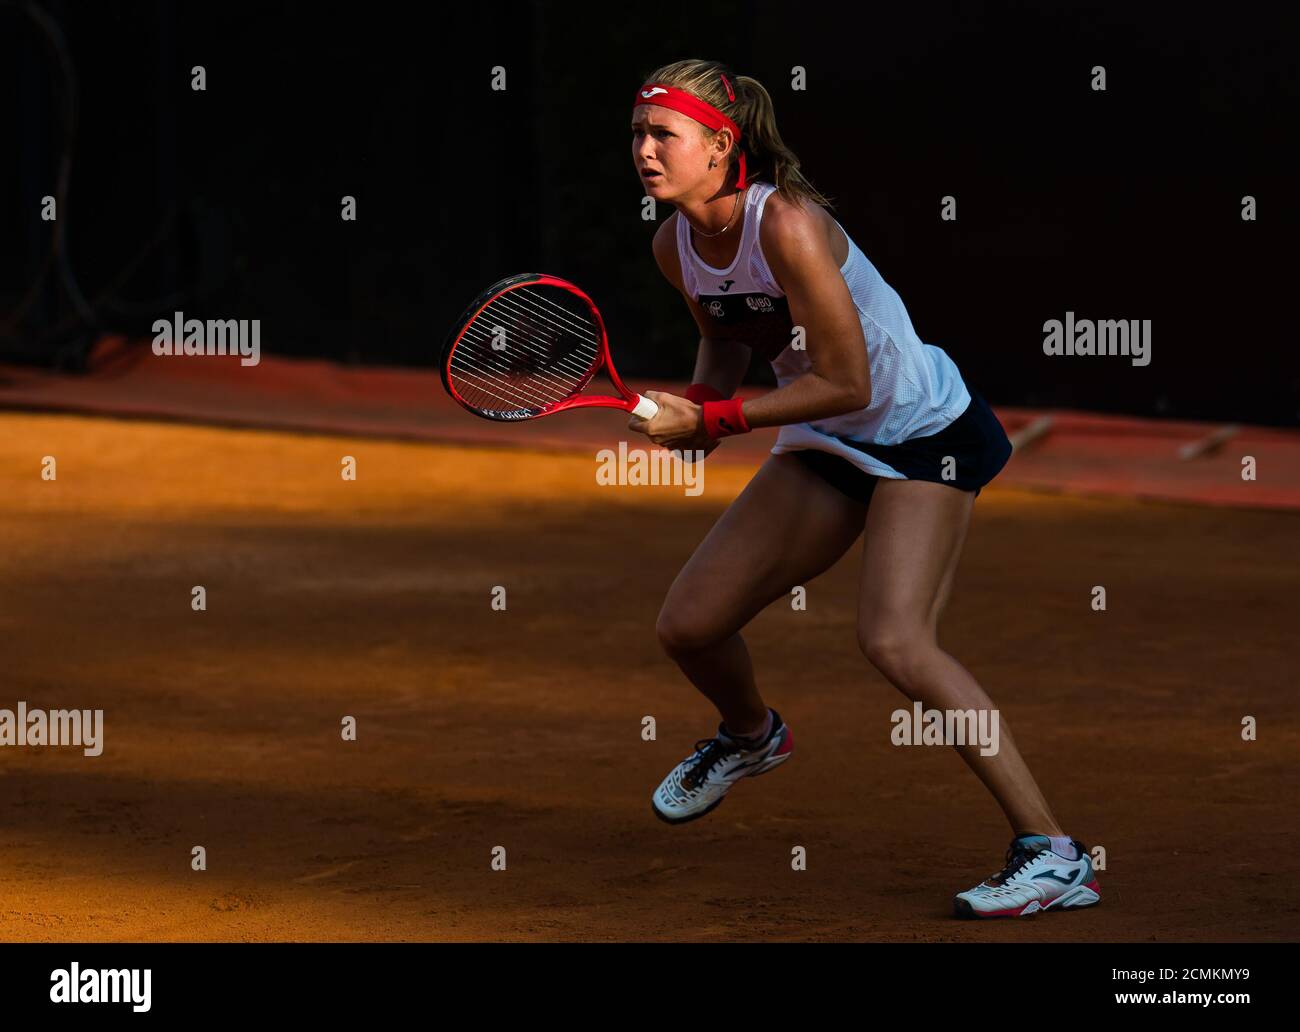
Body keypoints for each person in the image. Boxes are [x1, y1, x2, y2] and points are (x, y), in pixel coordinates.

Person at [627, 59, 1101, 919]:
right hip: (828, 438)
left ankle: (1054, 853)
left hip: (923, 433)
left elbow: (848, 380)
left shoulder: (791, 226)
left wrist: (719, 424)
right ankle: (751, 736)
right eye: (638, 134)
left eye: (663, 134)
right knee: (688, 625)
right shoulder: (676, 246)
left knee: (895, 640)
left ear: (720, 143)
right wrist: (697, 408)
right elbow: (731, 345)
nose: (645, 150)